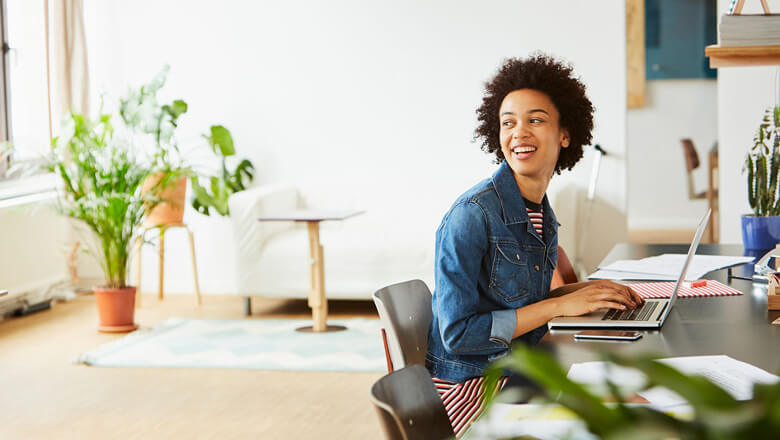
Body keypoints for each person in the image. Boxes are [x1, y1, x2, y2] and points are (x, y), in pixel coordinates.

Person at [424, 53, 644, 437]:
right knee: (628, 413)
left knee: (635, 394)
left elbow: (522, 299)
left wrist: (587, 290)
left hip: (521, 368)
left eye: (535, 120)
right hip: (476, 391)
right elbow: (458, 335)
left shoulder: (538, 208)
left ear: (564, 133)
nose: (518, 133)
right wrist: (560, 303)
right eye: (508, 123)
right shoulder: (471, 215)